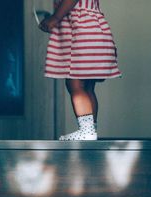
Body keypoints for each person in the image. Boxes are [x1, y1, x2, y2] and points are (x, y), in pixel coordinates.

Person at [39, 0, 121, 140]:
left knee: (75, 83)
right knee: (87, 87)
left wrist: (55, 18)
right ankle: (90, 130)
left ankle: (87, 131)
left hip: (82, 32)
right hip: (95, 29)